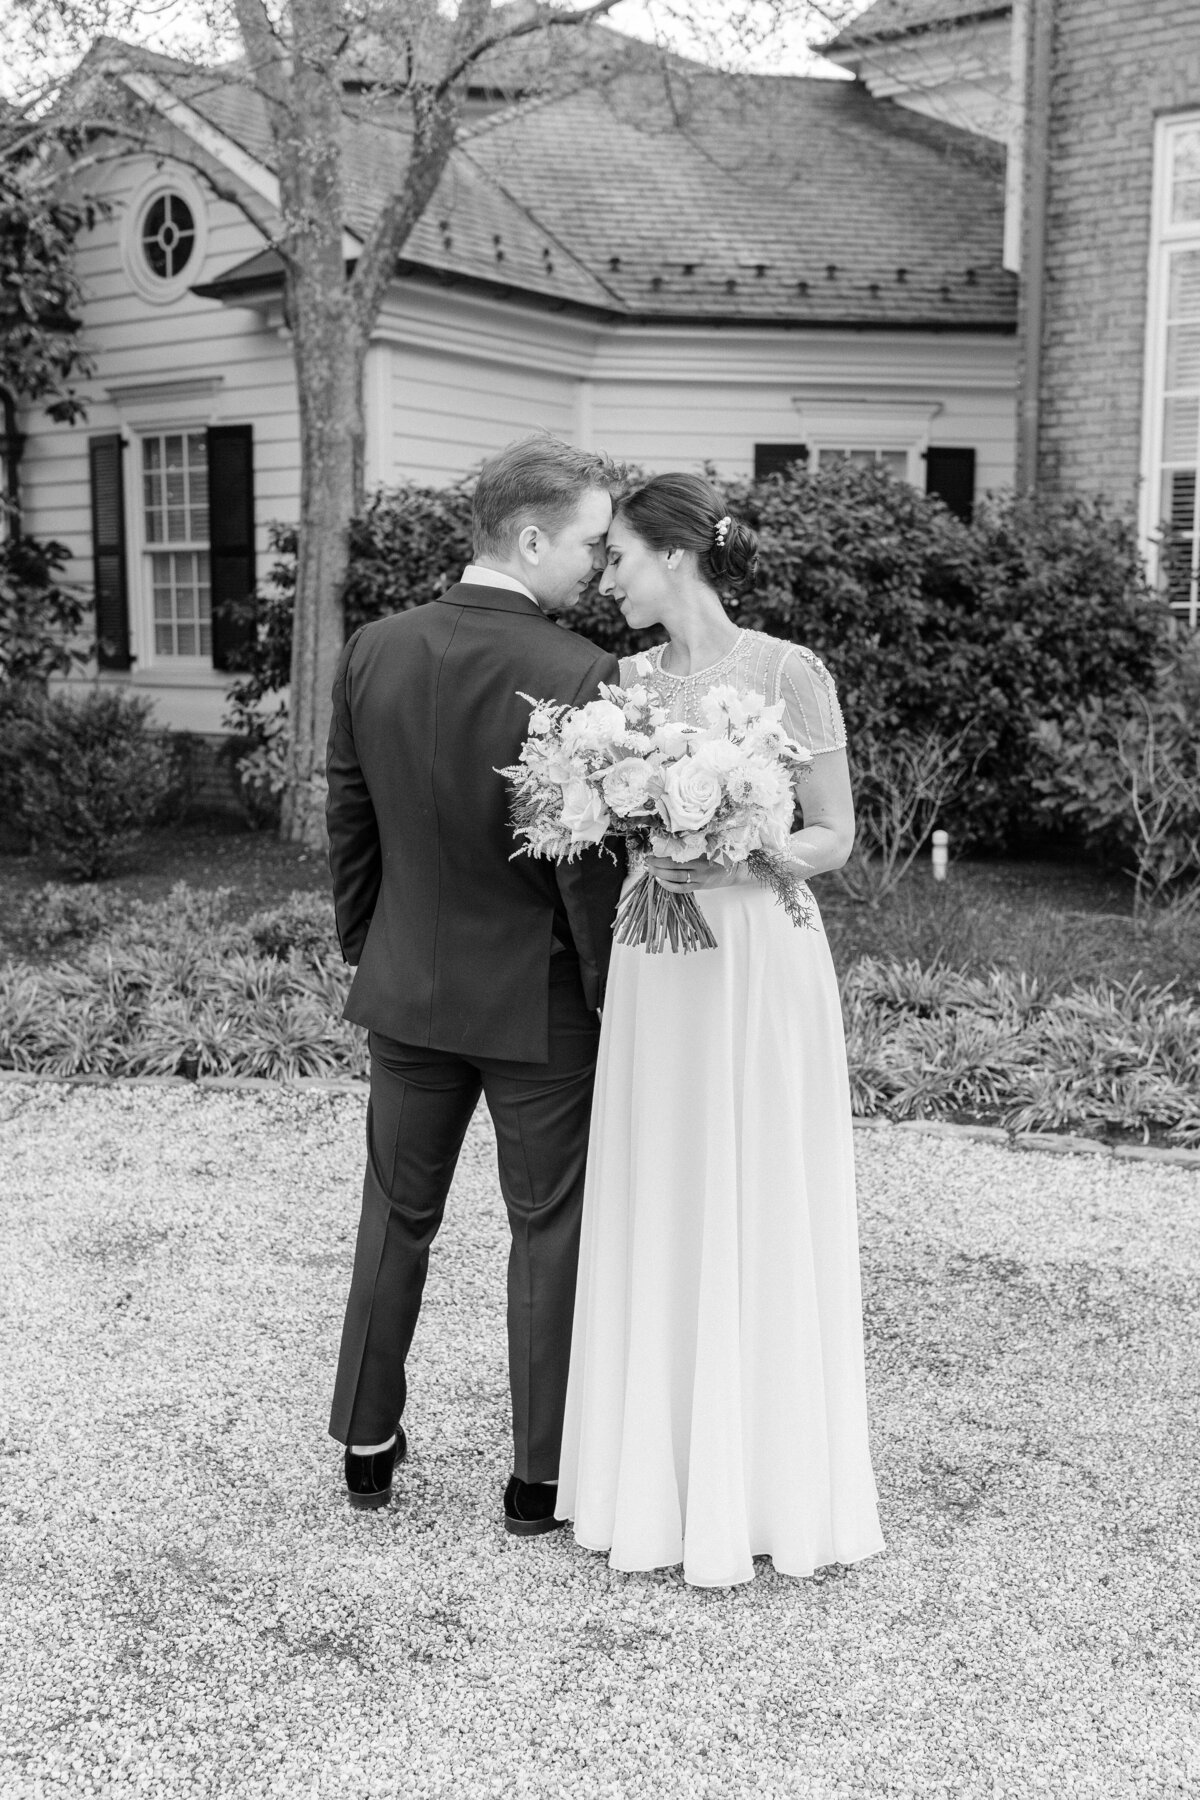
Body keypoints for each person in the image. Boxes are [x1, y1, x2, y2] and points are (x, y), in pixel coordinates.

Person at [555, 472, 885, 1587]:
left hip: (757, 954)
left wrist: (748, 848)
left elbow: (835, 833)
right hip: (658, 962)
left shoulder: (790, 672)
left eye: (619, 558)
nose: (608, 578)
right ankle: (656, 1485)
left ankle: (768, 1483)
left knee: (758, 1180)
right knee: (664, 1180)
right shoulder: (623, 686)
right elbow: (597, 818)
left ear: (676, 555)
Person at [326, 435, 626, 1535]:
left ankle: (366, 1447)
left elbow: (350, 821)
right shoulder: (580, 673)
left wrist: (375, 947)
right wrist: (607, 992)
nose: (599, 564)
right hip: (538, 1005)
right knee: (546, 1227)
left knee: (395, 1216)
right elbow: (586, 870)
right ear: (532, 539)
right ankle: (537, 1479)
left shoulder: (373, 649)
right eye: (592, 542)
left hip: (407, 986)